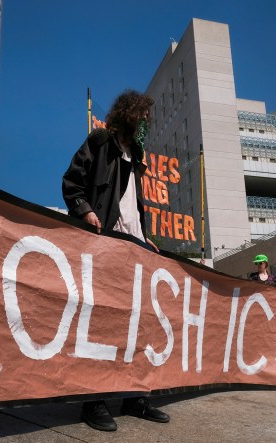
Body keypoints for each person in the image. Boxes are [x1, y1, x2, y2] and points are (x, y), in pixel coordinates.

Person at [62, 90, 168, 432]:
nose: (145, 125)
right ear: (129, 115)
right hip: (105, 244)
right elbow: (71, 182)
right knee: (103, 322)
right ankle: (94, 400)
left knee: (137, 324)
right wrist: (86, 212)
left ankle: (134, 396)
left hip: (135, 248)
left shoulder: (136, 155)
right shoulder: (100, 140)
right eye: (143, 118)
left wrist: (146, 233)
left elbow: (133, 203)